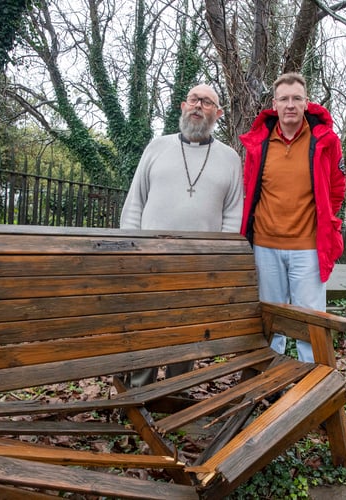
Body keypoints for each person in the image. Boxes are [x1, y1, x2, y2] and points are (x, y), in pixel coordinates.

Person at [120, 83, 243, 387]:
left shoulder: (230, 159)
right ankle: (139, 392)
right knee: (145, 329)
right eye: (194, 100)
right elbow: (135, 201)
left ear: (219, 113)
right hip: (150, 260)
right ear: (183, 106)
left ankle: (177, 392)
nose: (199, 106)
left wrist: (219, 261)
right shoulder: (157, 147)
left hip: (198, 267)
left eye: (207, 102)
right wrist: (129, 251)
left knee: (187, 332)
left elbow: (232, 215)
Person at [240, 72, 346, 363]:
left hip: (308, 249)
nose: (290, 105)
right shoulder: (259, 143)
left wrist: (325, 220)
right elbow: (250, 188)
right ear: (274, 105)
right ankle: (267, 384)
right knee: (269, 322)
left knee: (309, 324)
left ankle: (310, 391)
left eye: (296, 98)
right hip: (265, 246)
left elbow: (337, 188)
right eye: (284, 99)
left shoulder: (325, 141)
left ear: (306, 103)